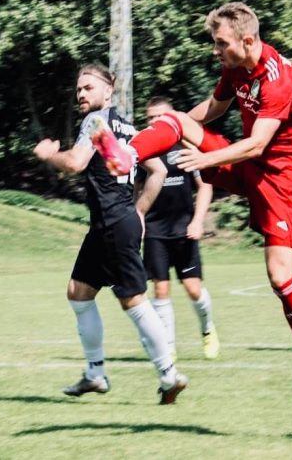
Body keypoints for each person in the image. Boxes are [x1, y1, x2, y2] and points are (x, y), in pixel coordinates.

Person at [88, 2, 292, 414]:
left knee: (280, 276)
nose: (214, 51)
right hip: (249, 163)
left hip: (285, 175)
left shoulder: (279, 78)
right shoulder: (236, 68)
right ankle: (127, 155)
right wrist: (173, 129)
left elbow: (257, 144)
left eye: (220, 44)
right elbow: (211, 111)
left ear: (247, 40)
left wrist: (204, 158)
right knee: (176, 119)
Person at [33, 64, 188, 405]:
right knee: (78, 292)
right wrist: (140, 211)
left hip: (113, 224)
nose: (82, 95)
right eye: (78, 90)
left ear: (108, 90)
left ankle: (168, 374)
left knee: (133, 299)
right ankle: (95, 374)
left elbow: (75, 162)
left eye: (88, 87)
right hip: (111, 223)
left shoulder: (96, 121)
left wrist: (48, 155)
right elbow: (158, 170)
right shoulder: (129, 129)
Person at [137, 96, 219, 360]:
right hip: (154, 231)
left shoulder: (184, 146)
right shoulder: (143, 152)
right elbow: (137, 192)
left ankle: (208, 330)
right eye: (149, 118)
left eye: (159, 116)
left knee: (193, 289)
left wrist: (197, 220)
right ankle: (168, 347)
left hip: (184, 230)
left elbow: (205, 185)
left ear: (171, 117)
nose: (153, 122)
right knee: (160, 290)